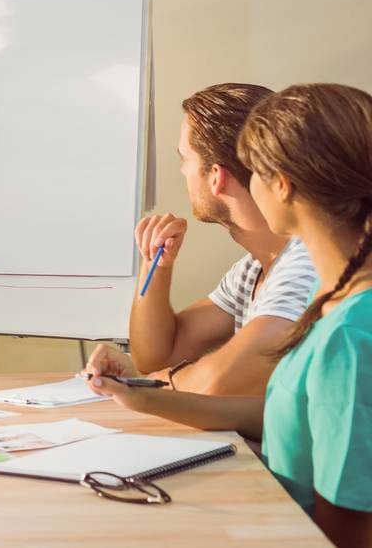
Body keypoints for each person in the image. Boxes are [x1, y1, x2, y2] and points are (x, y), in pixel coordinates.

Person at [87, 83, 372, 548]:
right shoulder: (338, 296)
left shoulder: (348, 332)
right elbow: (289, 413)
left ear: (282, 185)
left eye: (254, 170)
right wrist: (143, 397)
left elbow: (350, 531)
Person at [92, 84, 317, 395]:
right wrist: (155, 266)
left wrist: (142, 386)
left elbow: (218, 380)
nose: (184, 171)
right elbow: (156, 355)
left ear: (216, 176)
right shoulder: (253, 270)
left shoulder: (306, 263)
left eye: (185, 159)